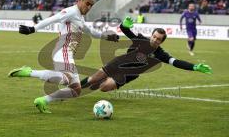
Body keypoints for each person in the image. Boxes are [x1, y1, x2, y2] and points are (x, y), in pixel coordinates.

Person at [9, 0, 119, 113]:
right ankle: (29, 72)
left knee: (75, 90)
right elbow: (53, 19)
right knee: (67, 78)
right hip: (63, 50)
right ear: (79, 1)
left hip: (68, 54)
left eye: (91, 5)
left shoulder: (80, 18)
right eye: (87, 4)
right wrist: (33, 29)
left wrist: (107, 37)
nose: (88, 7)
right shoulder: (71, 11)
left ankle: (43, 100)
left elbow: (91, 32)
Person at [79, 16, 212, 92]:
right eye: (154, 36)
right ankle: (74, 89)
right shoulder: (141, 39)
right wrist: (124, 25)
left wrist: (193, 67)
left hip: (129, 74)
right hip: (119, 62)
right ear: (151, 35)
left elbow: (175, 62)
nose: (155, 39)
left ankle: (103, 80)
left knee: (103, 87)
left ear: (161, 42)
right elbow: (126, 31)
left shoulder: (161, 54)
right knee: (93, 79)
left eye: (158, 39)